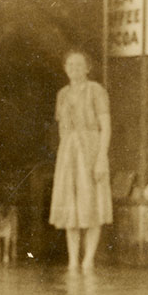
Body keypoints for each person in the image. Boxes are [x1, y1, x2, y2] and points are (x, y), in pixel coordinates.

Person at [49, 50, 113, 271]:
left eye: (79, 65)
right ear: (65, 68)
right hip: (69, 151)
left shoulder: (96, 90)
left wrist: (101, 158)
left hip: (91, 148)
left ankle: (88, 260)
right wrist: (66, 152)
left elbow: (105, 126)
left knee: (91, 202)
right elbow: (61, 127)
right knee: (71, 205)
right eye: (70, 65)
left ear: (88, 68)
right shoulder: (62, 94)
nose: (74, 69)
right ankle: (73, 260)